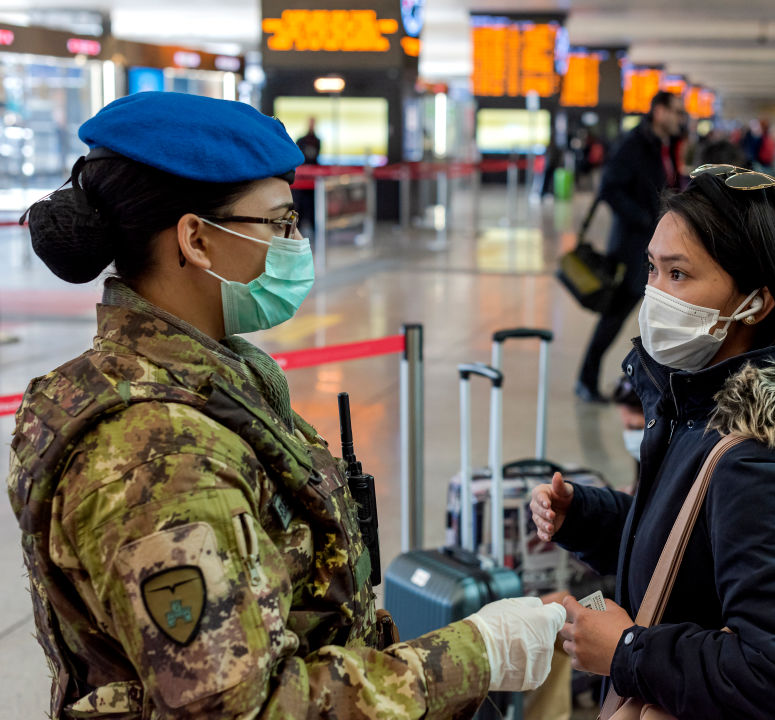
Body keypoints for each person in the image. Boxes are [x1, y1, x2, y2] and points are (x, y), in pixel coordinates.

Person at [9, 92, 565, 719]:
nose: (295, 243)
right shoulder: (159, 454)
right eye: (279, 224)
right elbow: (241, 709)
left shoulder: (207, 381)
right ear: (196, 239)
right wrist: (477, 654)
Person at [532, 165, 775, 718]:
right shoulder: (701, 402)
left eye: (679, 275)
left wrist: (628, 653)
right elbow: (699, 542)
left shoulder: (758, 457)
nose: (654, 295)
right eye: (652, 268)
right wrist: (589, 517)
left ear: (756, 303)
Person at [576, 91, 685, 402]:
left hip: (657, 245)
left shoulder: (664, 145)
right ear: (659, 112)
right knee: (615, 315)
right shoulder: (634, 144)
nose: (680, 119)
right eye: (676, 112)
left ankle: (660, 383)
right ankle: (586, 379)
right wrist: (644, 218)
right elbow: (610, 188)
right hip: (632, 246)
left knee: (659, 314)